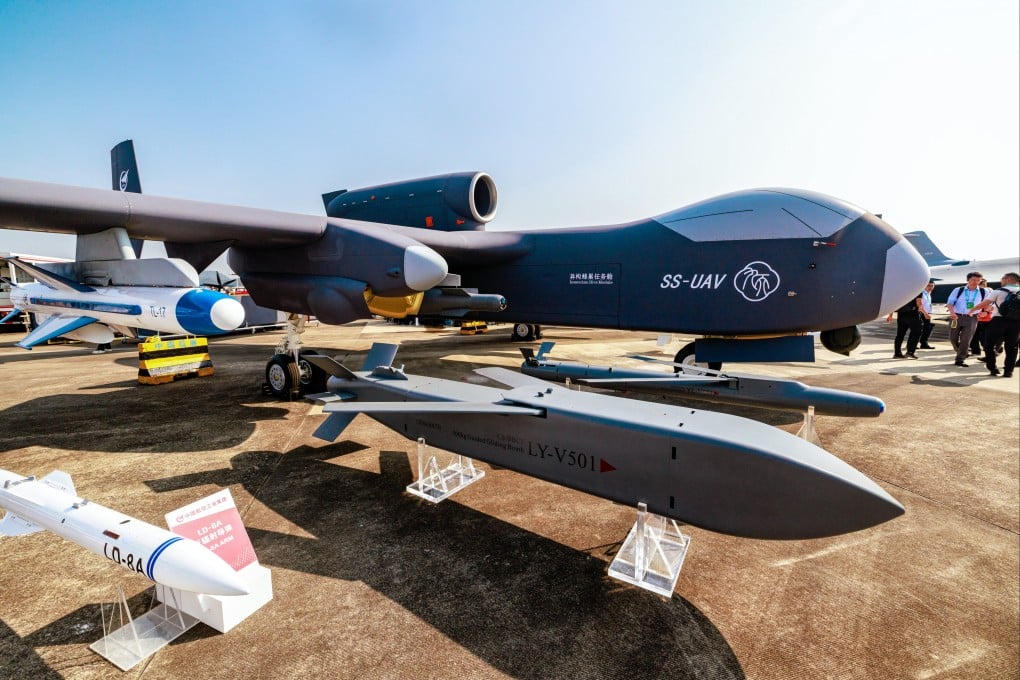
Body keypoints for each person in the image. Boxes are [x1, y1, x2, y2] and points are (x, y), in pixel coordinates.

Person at [969, 272, 1020, 377]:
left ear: (1008, 279)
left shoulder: (998, 291)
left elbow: (985, 303)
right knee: (1012, 347)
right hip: (1016, 323)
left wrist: (972, 310)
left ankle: (993, 368)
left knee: (989, 345)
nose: (1001, 280)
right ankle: (1008, 371)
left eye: (1002, 278)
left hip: (998, 321)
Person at [946, 272, 985, 367]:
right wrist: (952, 313)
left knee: (966, 339)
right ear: (968, 280)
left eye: (978, 280)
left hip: (972, 318)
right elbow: (950, 302)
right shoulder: (958, 290)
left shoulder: (984, 291)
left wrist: (985, 312)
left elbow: (988, 304)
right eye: (973, 280)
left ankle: (960, 359)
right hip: (956, 316)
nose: (976, 282)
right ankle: (963, 351)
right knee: (953, 338)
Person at [886, 289, 923, 359]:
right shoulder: (917, 289)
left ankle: (897, 353)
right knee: (917, 332)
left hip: (901, 314)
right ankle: (910, 351)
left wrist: (890, 315)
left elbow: (894, 303)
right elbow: (919, 303)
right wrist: (925, 313)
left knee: (900, 334)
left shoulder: (900, 290)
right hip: (913, 314)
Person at [969, 278, 992, 358]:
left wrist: (987, 312)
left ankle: (991, 351)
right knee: (974, 335)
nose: (984, 286)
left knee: (984, 337)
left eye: (985, 284)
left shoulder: (989, 292)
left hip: (986, 317)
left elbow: (992, 305)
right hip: (976, 316)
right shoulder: (975, 293)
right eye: (982, 284)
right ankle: (976, 351)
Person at [918, 281, 936, 349]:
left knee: (927, 328)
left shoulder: (928, 293)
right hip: (921, 313)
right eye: (928, 285)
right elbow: (919, 305)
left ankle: (923, 343)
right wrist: (925, 313)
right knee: (919, 329)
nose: (930, 287)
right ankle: (913, 343)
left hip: (927, 313)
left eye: (932, 286)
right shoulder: (922, 293)